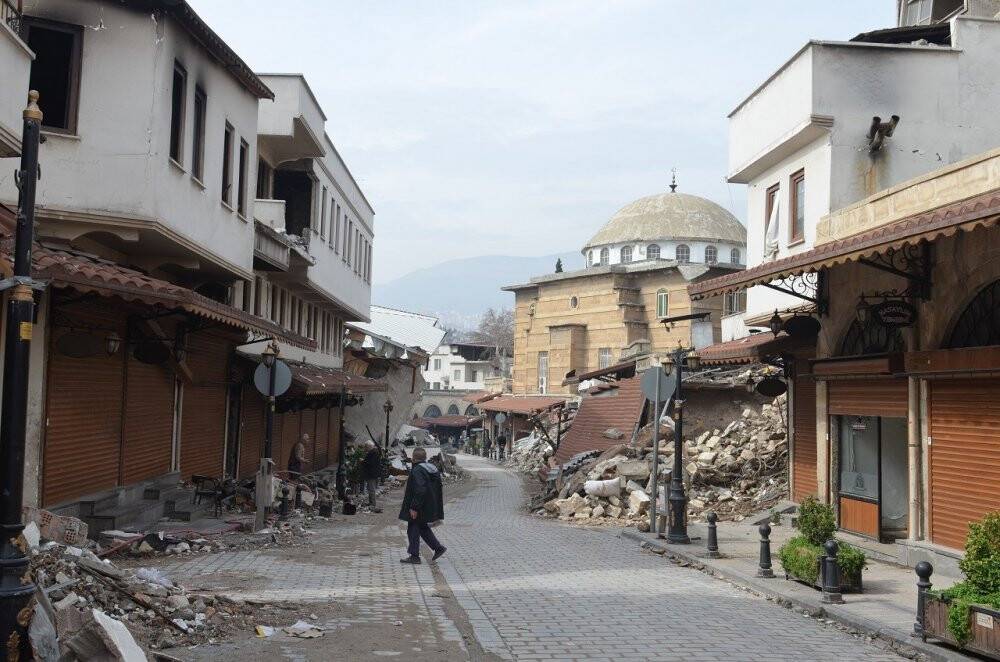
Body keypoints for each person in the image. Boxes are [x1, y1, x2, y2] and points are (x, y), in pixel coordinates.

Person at [399, 447, 446, 564]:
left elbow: (420, 490)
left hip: (419, 506)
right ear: (425, 458)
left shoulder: (417, 470)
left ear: (413, 458)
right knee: (423, 528)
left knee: (413, 528)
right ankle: (438, 548)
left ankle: (414, 556)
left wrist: (414, 507)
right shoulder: (433, 468)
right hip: (430, 505)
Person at [361, 439, 383, 513]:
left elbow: (370, 463)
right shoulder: (374, 452)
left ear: (369, 446)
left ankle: (373, 504)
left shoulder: (373, 453)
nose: (365, 449)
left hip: (371, 474)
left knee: (371, 488)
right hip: (373, 473)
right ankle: (371, 502)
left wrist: (363, 461)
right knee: (370, 488)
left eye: (366, 447)